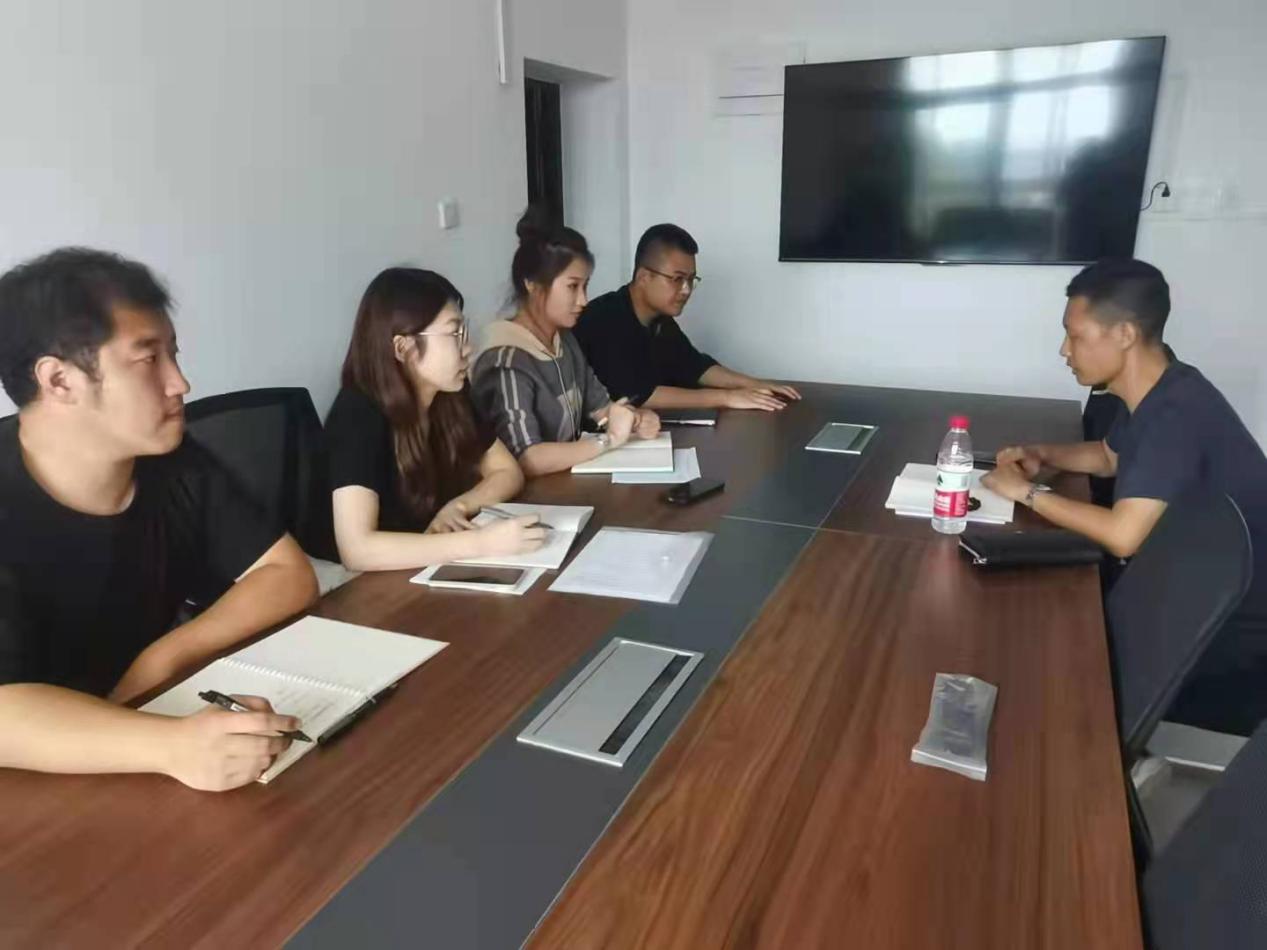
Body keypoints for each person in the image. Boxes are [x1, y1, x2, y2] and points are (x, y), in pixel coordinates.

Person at [0, 248, 319, 790]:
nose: (180, 383)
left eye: (174, 354)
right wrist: (170, 745)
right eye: (149, 360)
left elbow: (288, 574)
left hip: (144, 738)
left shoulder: (170, 460)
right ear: (59, 381)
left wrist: (162, 658)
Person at [982, 258, 1267, 734]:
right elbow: (1109, 455)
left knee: (1041, 651)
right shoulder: (1167, 386)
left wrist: (1026, 492)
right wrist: (1043, 453)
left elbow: (1123, 536)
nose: (1064, 350)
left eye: (1075, 335)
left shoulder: (1174, 417)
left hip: (1228, 636)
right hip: (1192, 587)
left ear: (1125, 335)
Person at [325, 267, 545, 570]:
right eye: (455, 334)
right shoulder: (357, 413)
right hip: (369, 583)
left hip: (427, 565)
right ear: (403, 348)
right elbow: (357, 550)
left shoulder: (450, 393)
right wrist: (479, 544)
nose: (468, 348)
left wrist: (459, 506)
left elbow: (507, 471)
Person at [471, 209, 661, 477]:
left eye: (585, 286)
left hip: (562, 485)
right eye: (573, 287)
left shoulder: (565, 340)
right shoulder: (506, 358)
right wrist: (607, 440)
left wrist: (634, 419)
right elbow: (526, 458)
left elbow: (601, 408)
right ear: (532, 284)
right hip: (525, 496)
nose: (583, 300)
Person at [574, 223, 801, 411]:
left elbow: (695, 367)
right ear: (644, 277)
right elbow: (640, 395)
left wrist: (754, 385)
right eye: (677, 279)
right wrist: (728, 398)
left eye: (691, 279)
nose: (686, 290)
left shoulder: (659, 319)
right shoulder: (605, 319)